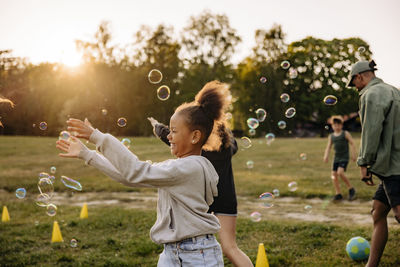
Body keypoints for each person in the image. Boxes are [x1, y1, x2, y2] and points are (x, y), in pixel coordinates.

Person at [56, 81, 233, 266]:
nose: (169, 136)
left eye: (174, 131)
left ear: (195, 136)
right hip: (173, 253)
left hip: (196, 255)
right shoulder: (180, 168)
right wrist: (88, 155)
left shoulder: (189, 168)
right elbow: (130, 177)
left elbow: (136, 171)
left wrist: (97, 137)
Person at [148, 84, 253, 267]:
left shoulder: (197, 142)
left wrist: (157, 127)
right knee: (231, 248)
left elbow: (173, 138)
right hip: (226, 196)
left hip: (199, 197)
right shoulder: (226, 140)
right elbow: (233, 146)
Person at [347, 60, 400, 267]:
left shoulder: (370, 95)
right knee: (378, 211)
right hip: (391, 164)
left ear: (360, 76)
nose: (356, 88)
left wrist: (364, 163)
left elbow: (371, 131)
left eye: (354, 83)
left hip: (392, 165)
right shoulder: (394, 91)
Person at [323, 115, 357, 201]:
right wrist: (326, 155)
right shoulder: (331, 136)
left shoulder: (345, 133)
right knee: (334, 175)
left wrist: (354, 155)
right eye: (334, 125)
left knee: (340, 173)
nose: (336, 126)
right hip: (336, 158)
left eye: (338, 125)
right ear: (332, 126)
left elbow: (352, 143)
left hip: (344, 157)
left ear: (341, 125)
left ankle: (351, 189)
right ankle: (338, 193)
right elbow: (328, 147)